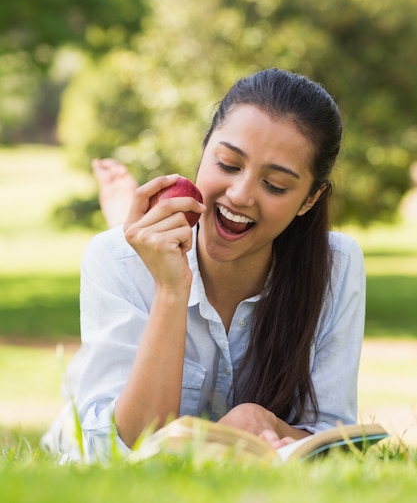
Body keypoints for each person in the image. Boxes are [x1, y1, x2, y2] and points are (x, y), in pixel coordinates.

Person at [43, 67, 365, 462]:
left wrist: (256, 420)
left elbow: (337, 440)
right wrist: (170, 289)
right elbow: (125, 453)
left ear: (309, 200)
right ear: (203, 149)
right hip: (83, 429)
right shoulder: (114, 259)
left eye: (275, 185)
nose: (241, 194)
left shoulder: (336, 265)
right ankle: (120, 212)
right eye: (228, 164)